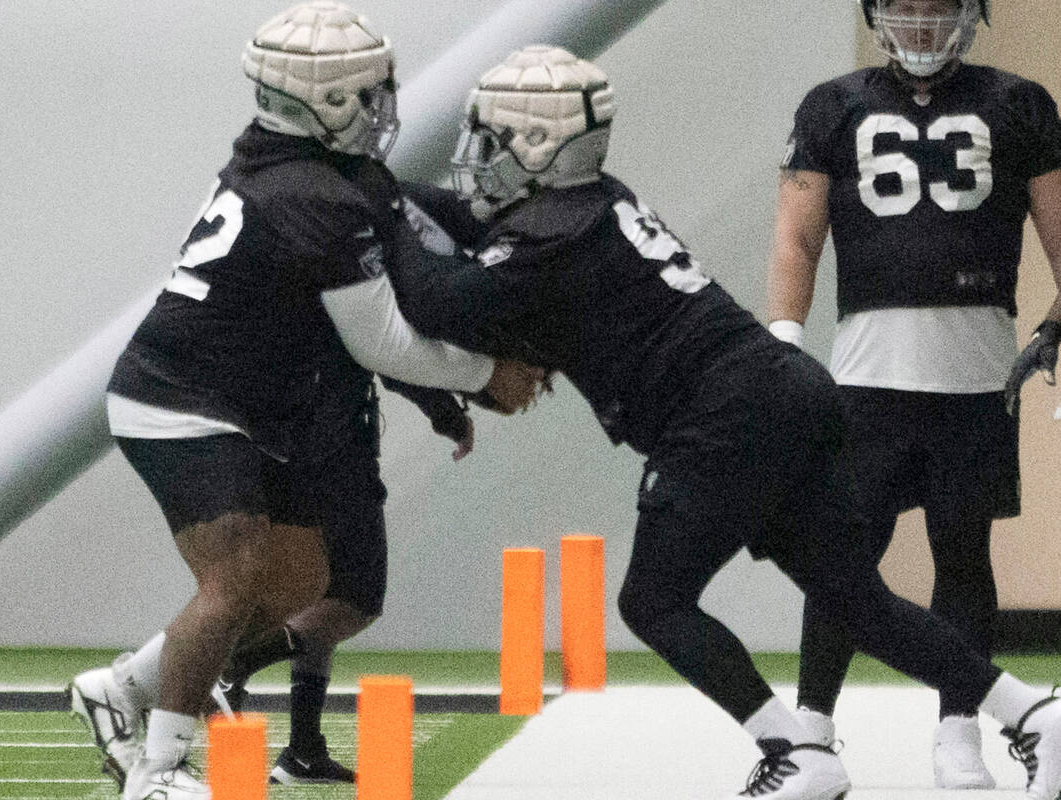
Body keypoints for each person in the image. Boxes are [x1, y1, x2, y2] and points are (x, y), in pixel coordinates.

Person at [381, 43, 1061, 800]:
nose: (476, 157)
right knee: (855, 600)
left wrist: (372, 215)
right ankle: (1032, 712)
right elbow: (471, 238)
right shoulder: (590, 202)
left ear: (540, 150)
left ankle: (793, 752)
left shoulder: (551, 238)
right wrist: (383, 192)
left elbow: (435, 300)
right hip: (783, 394)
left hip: (722, 415)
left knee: (654, 600)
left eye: (493, 139)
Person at [65, 4, 541, 799]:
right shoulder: (308, 192)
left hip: (241, 403)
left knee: (296, 578)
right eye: (367, 91)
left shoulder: (320, 171)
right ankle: (159, 770)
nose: (384, 103)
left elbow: (407, 263)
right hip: (183, 400)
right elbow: (380, 339)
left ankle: (120, 688)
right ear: (320, 100)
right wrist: (480, 375)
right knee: (237, 574)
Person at [765, 0, 1061, 788]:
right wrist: (786, 340)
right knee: (841, 558)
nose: (923, 26)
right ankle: (813, 731)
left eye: (940, 9)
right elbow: (798, 232)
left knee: (962, 554)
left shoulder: (1018, 102)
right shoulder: (833, 105)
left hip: (976, 373)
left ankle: (959, 727)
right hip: (865, 373)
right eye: (907, 8)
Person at [214, 375, 476, 786]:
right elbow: (388, 351)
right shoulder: (332, 309)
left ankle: (303, 751)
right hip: (331, 454)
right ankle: (235, 664)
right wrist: (447, 414)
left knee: (322, 600)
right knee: (358, 598)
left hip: (286, 448)